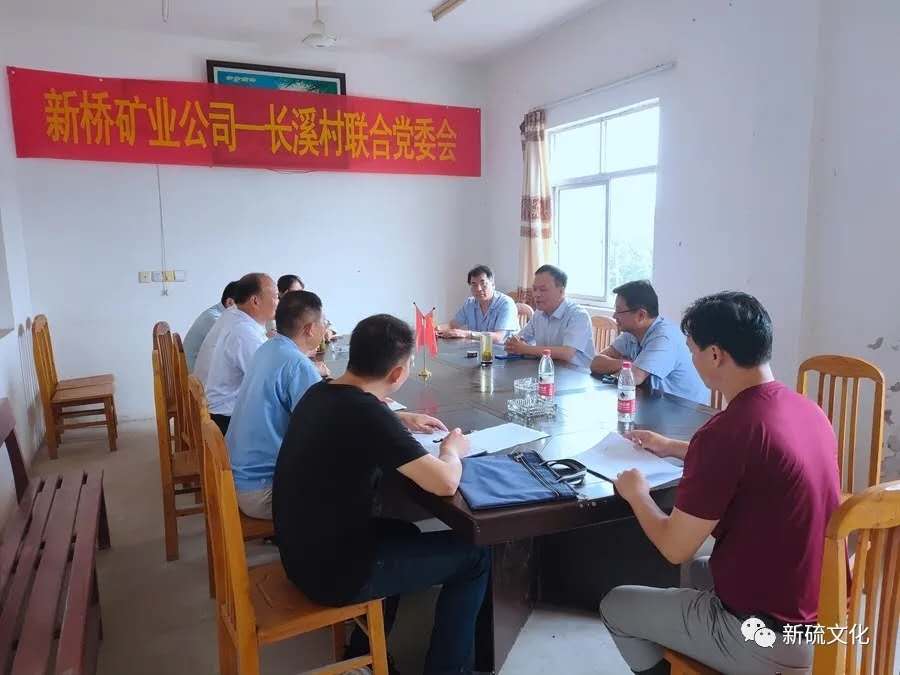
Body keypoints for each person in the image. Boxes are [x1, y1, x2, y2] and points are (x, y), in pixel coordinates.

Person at [599, 292, 842, 675]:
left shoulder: (727, 431)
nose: (692, 361)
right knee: (701, 570)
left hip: (767, 638)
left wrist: (637, 494)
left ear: (715, 354)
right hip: (821, 613)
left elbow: (674, 547)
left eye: (692, 351)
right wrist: (672, 447)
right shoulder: (807, 410)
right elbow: (759, 461)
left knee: (616, 605)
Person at [273, 314, 490, 675]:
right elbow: (445, 483)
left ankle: (365, 655)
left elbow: (362, 417)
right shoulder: (367, 415)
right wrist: (452, 449)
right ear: (398, 373)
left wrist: (400, 419)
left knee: (405, 531)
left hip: (299, 554)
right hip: (332, 574)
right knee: (476, 557)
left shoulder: (320, 392)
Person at [225, 290, 329, 520]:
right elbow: (322, 431)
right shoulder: (298, 365)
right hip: (263, 491)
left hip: (237, 477)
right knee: (352, 486)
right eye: (324, 322)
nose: (325, 328)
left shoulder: (268, 348)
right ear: (310, 329)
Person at [590, 280, 709, 404]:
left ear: (641, 315)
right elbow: (596, 363)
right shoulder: (631, 333)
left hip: (685, 410)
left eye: (619, 311)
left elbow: (633, 378)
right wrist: (627, 364)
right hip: (653, 403)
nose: (614, 316)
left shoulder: (664, 337)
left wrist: (623, 368)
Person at [202, 273, 279, 434]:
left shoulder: (236, 317)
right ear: (255, 301)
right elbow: (269, 380)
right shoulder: (243, 332)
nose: (278, 302)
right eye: (276, 296)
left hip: (221, 408)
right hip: (227, 418)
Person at [504, 264, 595, 368]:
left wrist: (525, 349)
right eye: (534, 289)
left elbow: (567, 353)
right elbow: (520, 339)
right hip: (548, 370)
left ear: (561, 291)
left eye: (543, 289)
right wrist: (513, 343)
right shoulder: (538, 314)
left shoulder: (578, 315)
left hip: (577, 374)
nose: (537, 294)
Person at [437, 264, 519, 342]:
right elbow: (452, 325)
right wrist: (436, 329)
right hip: (478, 349)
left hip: (502, 350)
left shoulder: (506, 303)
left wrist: (466, 334)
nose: (478, 289)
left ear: (493, 285)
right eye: (474, 285)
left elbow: (498, 338)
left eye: (483, 284)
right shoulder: (470, 303)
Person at [183, 281, 238, 371]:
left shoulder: (217, 314)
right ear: (230, 302)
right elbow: (233, 349)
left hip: (193, 369)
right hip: (194, 374)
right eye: (244, 305)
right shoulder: (214, 318)